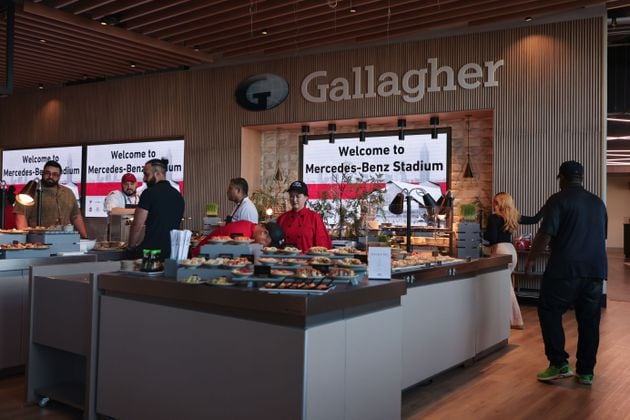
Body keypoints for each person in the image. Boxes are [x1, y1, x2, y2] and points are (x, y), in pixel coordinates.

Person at [525, 161, 607, 385]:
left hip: (565, 269)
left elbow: (545, 233)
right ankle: (586, 372)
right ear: (582, 178)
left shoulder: (558, 199)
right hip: (595, 270)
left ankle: (559, 363)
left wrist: (531, 257)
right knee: (589, 321)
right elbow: (602, 236)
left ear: (561, 177)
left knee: (549, 311)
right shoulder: (598, 203)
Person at [484, 193, 543, 329]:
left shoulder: (494, 218)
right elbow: (535, 219)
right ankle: (504, 318)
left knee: (504, 286)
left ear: (499, 203)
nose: (493, 205)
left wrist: (482, 236)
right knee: (504, 284)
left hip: (500, 251)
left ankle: (516, 320)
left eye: (495, 202)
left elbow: (491, 239)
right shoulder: (512, 216)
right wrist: (546, 207)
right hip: (511, 251)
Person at [13, 160, 88, 238]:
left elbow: (76, 216)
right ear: (42, 173)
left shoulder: (68, 193)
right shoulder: (31, 191)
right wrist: (25, 240)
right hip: (39, 240)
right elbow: (20, 215)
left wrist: (85, 237)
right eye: (47, 173)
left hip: (66, 240)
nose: (51, 177)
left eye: (55, 174)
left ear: (59, 176)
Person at [128, 158, 185, 259]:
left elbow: (137, 225)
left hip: (150, 253)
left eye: (146, 174)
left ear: (157, 173)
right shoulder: (178, 196)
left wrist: (131, 248)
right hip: (171, 252)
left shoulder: (148, 193)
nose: (144, 179)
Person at [277, 181, 332, 252]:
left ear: (306, 197)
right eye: (291, 196)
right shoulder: (282, 218)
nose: (294, 200)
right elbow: (276, 245)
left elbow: (323, 246)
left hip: (307, 261)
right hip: (286, 261)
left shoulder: (314, 217)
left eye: (298, 196)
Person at [190, 220, 284, 257]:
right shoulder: (242, 234)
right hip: (199, 259)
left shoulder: (251, 228)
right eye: (267, 245)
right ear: (264, 233)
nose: (265, 248)